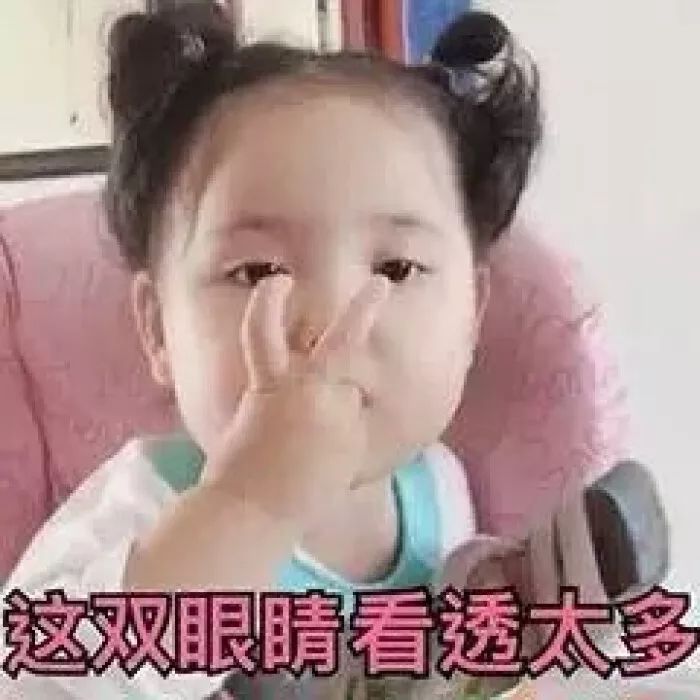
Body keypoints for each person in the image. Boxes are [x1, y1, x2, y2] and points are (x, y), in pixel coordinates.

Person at [0, 3, 541, 697]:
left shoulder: (440, 488)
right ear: (158, 328)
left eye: (396, 269)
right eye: (256, 272)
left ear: (472, 316)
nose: (328, 321)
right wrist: (250, 504)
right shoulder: (142, 506)